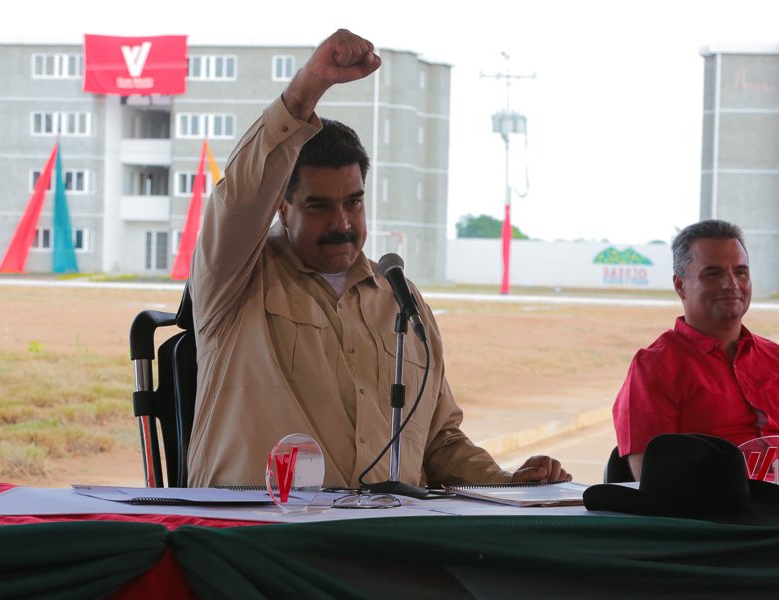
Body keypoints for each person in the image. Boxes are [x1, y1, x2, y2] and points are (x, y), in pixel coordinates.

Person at [187, 29, 569, 489]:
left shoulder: (402, 302)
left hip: (385, 527)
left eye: (353, 202)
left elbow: (438, 440)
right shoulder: (234, 277)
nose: (342, 222)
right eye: (319, 206)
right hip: (259, 527)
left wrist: (506, 482)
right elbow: (239, 201)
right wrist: (306, 91)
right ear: (282, 208)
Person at [612, 219, 779, 480]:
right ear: (680, 286)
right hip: (711, 506)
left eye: (741, 272)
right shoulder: (654, 368)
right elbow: (656, 481)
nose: (731, 283)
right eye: (713, 274)